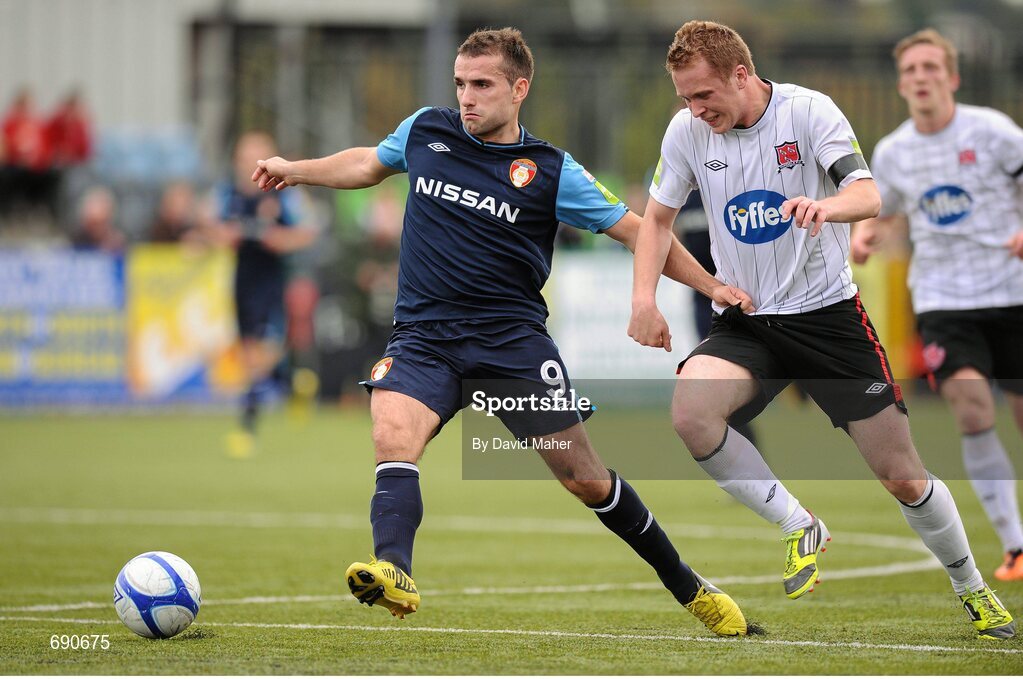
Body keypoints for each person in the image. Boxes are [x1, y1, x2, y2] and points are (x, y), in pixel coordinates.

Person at [252, 27, 757, 637]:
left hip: (510, 346)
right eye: (461, 84)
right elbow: (365, 164)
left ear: (520, 89)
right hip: (424, 338)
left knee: (585, 479)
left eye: (482, 85)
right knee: (391, 432)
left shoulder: (550, 171)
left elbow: (638, 232)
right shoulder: (425, 131)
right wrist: (293, 169)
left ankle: (690, 587)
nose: (467, 98)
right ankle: (393, 570)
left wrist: (710, 288)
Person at [628, 20, 1014, 639]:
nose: (695, 111)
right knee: (692, 414)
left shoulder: (810, 113)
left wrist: (825, 206)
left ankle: (972, 588)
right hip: (749, 319)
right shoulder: (688, 132)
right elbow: (655, 221)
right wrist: (643, 299)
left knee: (904, 476)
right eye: (684, 98)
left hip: (829, 320)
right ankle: (797, 524)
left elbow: (867, 193)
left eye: (704, 96)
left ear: (741, 74)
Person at [851, 29, 1023, 582]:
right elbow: (884, 206)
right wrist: (866, 234)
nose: (921, 78)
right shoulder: (895, 151)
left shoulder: (993, 132)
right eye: (911, 71)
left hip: (1013, 290)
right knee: (973, 408)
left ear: (951, 77)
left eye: (931, 68)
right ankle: (1016, 547)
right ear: (902, 84)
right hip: (945, 298)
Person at [207, 131, 319, 457]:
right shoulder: (226, 194)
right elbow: (208, 227)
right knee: (249, 352)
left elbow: (308, 231)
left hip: (276, 281)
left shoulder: (285, 194)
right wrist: (224, 236)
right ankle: (292, 381)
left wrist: (279, 239)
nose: (248, 164)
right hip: (243, 279)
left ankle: (247, 425)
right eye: (244, 157)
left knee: (257, 356)